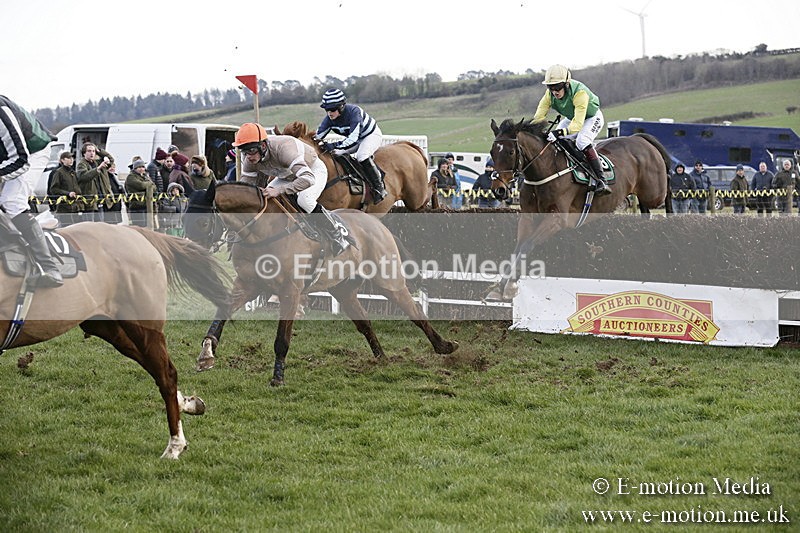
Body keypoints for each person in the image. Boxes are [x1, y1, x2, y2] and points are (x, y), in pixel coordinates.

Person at [233, 122, 351, 256]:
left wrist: (280, 190)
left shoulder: (284, 149)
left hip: (312, 170)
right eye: (244, 151)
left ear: (263, 145)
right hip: (286, 175)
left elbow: (308, 179)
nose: (248, 156)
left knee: (305, 200)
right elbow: (245, 188)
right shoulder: (250, 160)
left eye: (252, 150)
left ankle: (337, 233)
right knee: (265, 198)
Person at [0, 95, 63, 287]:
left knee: (12, 201)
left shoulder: (1, 113)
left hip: (32, 152)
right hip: (7, 156)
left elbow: (21, 160)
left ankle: (49, 266)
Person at [532, 65, 610, 196]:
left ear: (567, 84)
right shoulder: (549, 95)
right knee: (554, 141)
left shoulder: (580, 93)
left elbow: (577, 125)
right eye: (551, 87)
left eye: (557, 87)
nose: (554, 91)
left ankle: (601, 180)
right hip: (572, 118)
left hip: (591, 118)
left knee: (582, 141)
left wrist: (559, 133)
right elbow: (538, 117)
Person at [314, 88, 386, 204]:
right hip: (356, 140)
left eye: (332, 110)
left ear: (341, 107)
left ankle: (379, 187)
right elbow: (317, 136)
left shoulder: (354, 112)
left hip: (370, 135)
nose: (329, 113)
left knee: (362, 156)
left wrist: (333, 145)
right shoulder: (329, 119)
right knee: (336, 154)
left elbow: (353, 138)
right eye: (327, 110)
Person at [76, 141, 115, 222]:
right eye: (89, 151)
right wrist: (98, 169)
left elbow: (111, 159)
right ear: (84, 153)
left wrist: (99, 151)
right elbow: (84, 176)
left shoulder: (97, 162)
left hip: (100, 199)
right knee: (89, 226)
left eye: (93, 151)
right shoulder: (81, 164)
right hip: (89, 201)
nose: (92, 153)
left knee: (100, 225)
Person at [48, 151, 84, 226]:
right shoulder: (58, 172)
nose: (71, 160)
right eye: (68, 158)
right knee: (66, 229)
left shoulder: (73, 172)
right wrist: (68, 193)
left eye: (72, 158)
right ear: (62, 160)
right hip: (64, 208)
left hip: (75, 207)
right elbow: (53, 189)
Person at [125, 158, 157, 227]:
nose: (142, 169)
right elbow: (141, 185)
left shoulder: (145, 176)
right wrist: (149, 184)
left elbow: (154, 187)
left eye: (143, 167)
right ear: (135, 168)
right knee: (139, 226)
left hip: (146, 206)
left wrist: (149, 185)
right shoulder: (131, 177)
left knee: (147, 225)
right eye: (139, 167)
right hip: (136, 206)